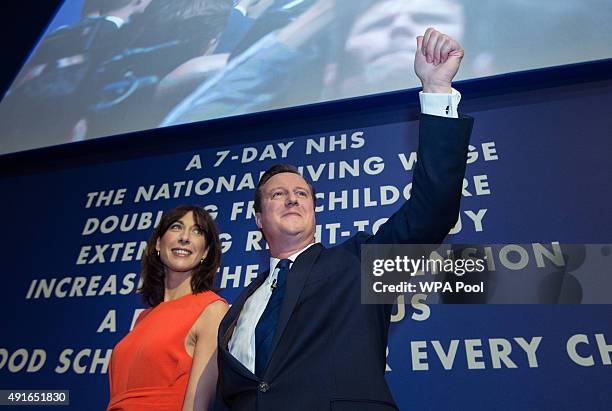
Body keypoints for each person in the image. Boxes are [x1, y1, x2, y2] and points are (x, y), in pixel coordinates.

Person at [214, 28, 473, 410]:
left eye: (302, 193)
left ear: (315, 212)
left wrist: (435, 91)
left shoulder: (358, 263)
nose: (292, 199)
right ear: (258, 219)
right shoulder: (239, 306)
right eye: (277, 194)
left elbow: (432, 210)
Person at [107, 204, 228, 410]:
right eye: (176, 227)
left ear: (205, 252)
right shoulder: (143, 317)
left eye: (197, 231)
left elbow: (197, 405)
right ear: (157, 243)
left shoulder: (212, 309)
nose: (185, 237)